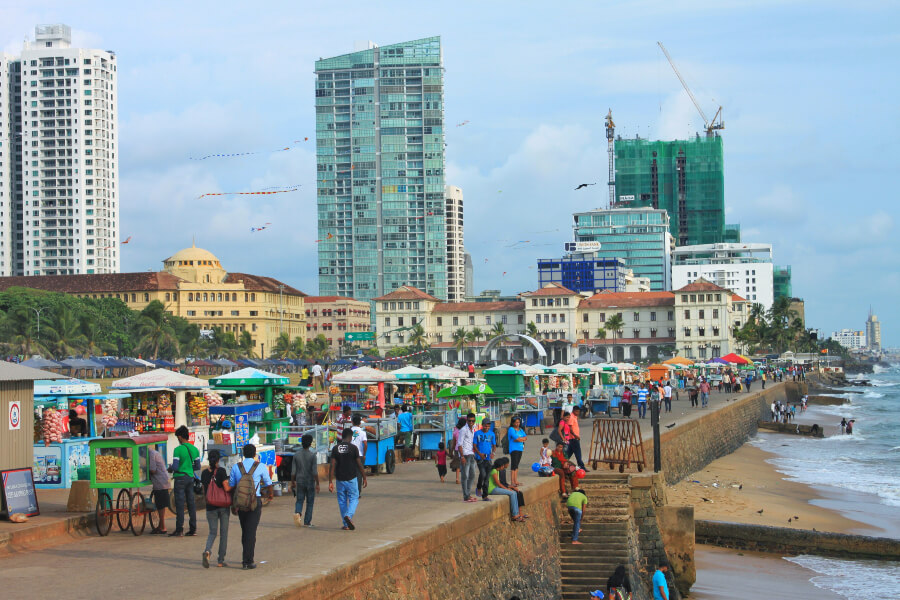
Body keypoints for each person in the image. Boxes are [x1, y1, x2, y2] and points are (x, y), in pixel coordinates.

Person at [228, 444, 273, 569]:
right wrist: (270, 495)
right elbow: (269, 483)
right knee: (251, 531)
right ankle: (247, 561)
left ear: (243, 454)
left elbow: (232, 485)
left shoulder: (237, 467)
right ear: (254, 454)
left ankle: (246, 557)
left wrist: (233, 503)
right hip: (255, 501)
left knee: (245, 530)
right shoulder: (260, 466)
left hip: (241, 502)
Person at [328, 428, 367, 530]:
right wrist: (364, 477)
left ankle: (346, 524)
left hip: (340, 479)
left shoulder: (335, 448)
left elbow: (332, 465)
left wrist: (330, 481)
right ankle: (349, 516)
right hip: (351, 478)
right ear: (350, 437)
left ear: (342, 436)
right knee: (354, 497)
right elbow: (359, 464)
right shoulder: (354, 448)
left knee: (342, 501)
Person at [201, 449, 231, 568]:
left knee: (212, 532)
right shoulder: (221, 472)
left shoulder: (204, 473)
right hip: (223, 506)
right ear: (218, 460)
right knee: (224, 533)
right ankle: (220, 560)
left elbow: (205, 491)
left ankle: (207, 551)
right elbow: (226, 488)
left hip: (210, 506)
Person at [167, 425, 200, 537]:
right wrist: (188, 468)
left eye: (177, 437)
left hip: (180, 478)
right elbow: (198, 466)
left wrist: (170, 468)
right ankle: (193, 529)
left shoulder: (178, 450)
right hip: (190, 478)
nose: (178, 440)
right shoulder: (194, 449)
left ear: (180, 437)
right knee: (191, 503)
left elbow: (175, 467)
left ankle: (179, 529)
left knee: (180, 504)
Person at [291, 433, 319, 528]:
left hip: (300, 480)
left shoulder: (296, 455)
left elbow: (293, 471)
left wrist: (292, 482)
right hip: (310, 481)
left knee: (299, 500)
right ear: (310, 444)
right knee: (310, 502)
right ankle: (307, 522)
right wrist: (318, 483)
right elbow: (315, 472)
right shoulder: (312, 456)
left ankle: (298, 512)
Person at [487, 457, 525, 522]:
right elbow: (498, 483)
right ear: (501, 466)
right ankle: (515, 515)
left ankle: (517, 514)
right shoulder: (494, 471)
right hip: (492, 489)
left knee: (514, 493)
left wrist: (508, 488)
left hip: (496, 488)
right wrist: (507, 489)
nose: (503, 467)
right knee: (512, 493)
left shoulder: (497, 470)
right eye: (503, 466)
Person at [148, 447, 170, 535]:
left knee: (160, 505)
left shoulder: (151, 454)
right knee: (161, 506)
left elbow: (153, 470)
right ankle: (161, 526)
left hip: (160, 483)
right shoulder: (155, 453)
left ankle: (163, 527)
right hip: (163, 482)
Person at [473, 419, 497, 501]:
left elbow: (494, 445)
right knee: (482, 474)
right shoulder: (477, 433)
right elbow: (474, 445)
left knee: (487, 477)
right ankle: (479, 487)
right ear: (482, 425)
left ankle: (485, 495)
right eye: (486, 426)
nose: (487, 427)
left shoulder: (492, 434)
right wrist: (479, 454)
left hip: (488, 458)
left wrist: (493, 453)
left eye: (488, 426)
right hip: (480, 458)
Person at [457, 413, 478, 502]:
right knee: (465, 476)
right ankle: (466, 496)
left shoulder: (473, 429)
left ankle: (468, 494)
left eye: (473, 421)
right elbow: (459, 444)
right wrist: (462, 456)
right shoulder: (463, 430)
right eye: (469, 421)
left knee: (472, 475)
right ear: (467, 420)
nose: (471, 422)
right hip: (465, 455)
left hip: (471, 454)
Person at [350, 414, 368, 494]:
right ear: (360, 423)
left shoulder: (349, 431)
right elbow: (365, 444)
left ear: (352, 422)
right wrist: (364, 454)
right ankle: (358, 492)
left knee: (350, 473)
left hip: (349, 455)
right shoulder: (362, 432)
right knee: (359, 473)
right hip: (359, 455)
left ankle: (350, 491)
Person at [507, 416, 526, 487]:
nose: (517, 424)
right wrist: (521, 439)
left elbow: (525, 437)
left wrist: (520, 439)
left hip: (520, 448)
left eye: (518, 422)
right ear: (513, 423)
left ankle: (515, 480)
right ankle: (512, 481)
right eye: (516, 422)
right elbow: (516, 439)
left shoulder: (520, 429)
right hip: (514, 449)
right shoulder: (511, 429)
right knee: (514, 465)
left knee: (517, 465)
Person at [451, 417, 465, 484]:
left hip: (457, 449)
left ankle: (457, 478)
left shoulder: (455, 432)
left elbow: (453, 443)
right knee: (465, 464)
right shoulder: (465, 431)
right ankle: (465, 478)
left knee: (458, 465)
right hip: (464, 450)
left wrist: (452, 451)